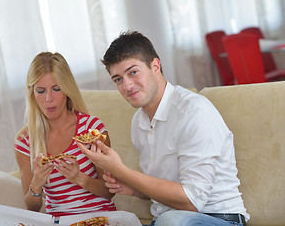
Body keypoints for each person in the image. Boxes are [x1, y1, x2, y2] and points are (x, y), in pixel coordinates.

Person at [76, 31, 249, 226]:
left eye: (133, 72)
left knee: (171, 220)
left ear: (155, 66)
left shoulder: (194, 112)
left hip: (218, 219)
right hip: (168, 219)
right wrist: (132, 189)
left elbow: (192, 201)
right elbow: (165, 189)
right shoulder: (139, 122)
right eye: (118, 79)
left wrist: (122, 171)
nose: (127, 85)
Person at [14, 52, 116, 217]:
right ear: (32, 94)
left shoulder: (92, 129)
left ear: (67, 89)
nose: (49, 98)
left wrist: (79, 178)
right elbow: (32, 208)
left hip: (99, 218)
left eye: (56, 89)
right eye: (41, 91)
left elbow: (109, 191)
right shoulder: (24, 142)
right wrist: (37, 184)